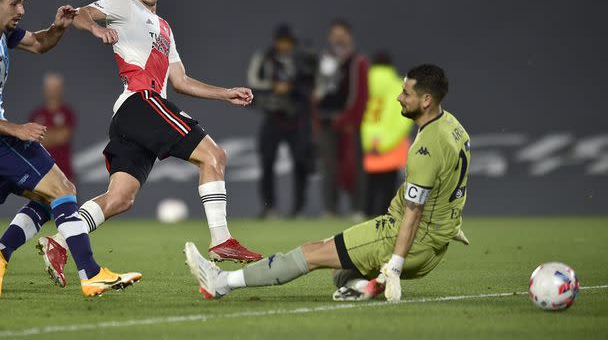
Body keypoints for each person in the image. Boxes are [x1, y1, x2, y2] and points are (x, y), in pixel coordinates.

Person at [36, 0, 262, 288]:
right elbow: (79, 14)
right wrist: (97, 31)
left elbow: (181, 81)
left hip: (134, 114)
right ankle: (221, 239)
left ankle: (60, 240)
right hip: (140, 102)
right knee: (215, 156)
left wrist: (225, 93)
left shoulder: (165, 29)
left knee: (120, 199)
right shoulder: (125, 6)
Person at [184, 64, 470, 302]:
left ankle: (222, 282)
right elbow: (453, 189)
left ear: (426, 100)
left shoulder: (425, 150)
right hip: (435, 246)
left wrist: (395, 264)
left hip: (404, 239)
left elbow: (414, 211)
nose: (399, 97)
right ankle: (367, 287)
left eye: (406, 93)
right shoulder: (453, 127)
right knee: (342, 274)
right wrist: (448, 226)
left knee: (312, 253)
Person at [0, 0, 140, 298]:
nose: (22, 8)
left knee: (49, 198)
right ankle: (91, 274)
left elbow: (39, 44)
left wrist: (58, 28)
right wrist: (17, 129)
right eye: (15, 2)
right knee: (62, 189)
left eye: (23, 1)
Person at [247, 24, 315, 218]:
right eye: (282, 42)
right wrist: (274, 86)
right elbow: (252, 80)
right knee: (267, 161)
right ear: (276, 42)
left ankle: (299, 208)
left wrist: (293, 86)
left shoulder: (300, 59)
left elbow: (310, 82)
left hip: (295, 117)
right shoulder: (265, 58)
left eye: (288, 42)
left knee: (301, 161)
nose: (285, 45)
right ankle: (270, 207)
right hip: (273, 115)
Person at [314, 20, 369, 218]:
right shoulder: (324, 60)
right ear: (330, 37)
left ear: (349, 35)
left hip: (349, 124)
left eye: (341, 33)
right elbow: (318, 91)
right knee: (329, 168)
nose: (337, 37)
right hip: (326, 122)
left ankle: (357, 208)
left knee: (353, 166)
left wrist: (350, 120)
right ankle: (331, 209)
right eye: (334, 34)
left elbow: (361, 95)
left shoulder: (358, 61)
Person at [361, 52, 412, 217]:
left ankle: (365, 221)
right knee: (389, 188)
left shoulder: (364, 85)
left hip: (368, 146)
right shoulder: (400, 87)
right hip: (393, 147)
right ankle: (387, 219)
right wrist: (385, 142)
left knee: (370, 187)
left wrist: (371, 142)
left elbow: (361, 116)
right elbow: (404, 120)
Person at [28, 73, 77, 183]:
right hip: (42, 174)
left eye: (55, 88)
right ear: (45, 89)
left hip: (65, 173)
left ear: (61, 89)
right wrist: (53, 135)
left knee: (69, 200)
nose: (52, 91)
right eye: (49, 88)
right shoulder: (36, 114)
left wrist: (44, 136)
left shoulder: (67, 112)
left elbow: (62, 137)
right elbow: (34, 140)